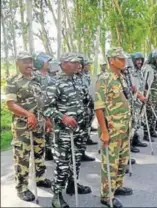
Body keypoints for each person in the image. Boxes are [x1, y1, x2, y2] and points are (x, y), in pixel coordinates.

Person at [44, 53, 92, 208]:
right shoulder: (55, 83)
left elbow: (86, 101)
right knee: (62, 164)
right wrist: (62, 117)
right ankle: (57, 195)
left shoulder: (79, 80)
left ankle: (72, 184)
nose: (79, 65)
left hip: (80, 130)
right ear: (64, 64)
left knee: (76, 160)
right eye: (74, 62)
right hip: (63, 133)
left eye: (79, 62)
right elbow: (46, 108)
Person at [5, 51, 52, 202]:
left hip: (39, 124)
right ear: (18, 63)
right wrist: (28, 114)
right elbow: (11, 104)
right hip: (22, 127)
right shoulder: (13, 81)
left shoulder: (37, 78)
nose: (29, 65)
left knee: (40, 152)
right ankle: (22, 187)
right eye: (25, 62)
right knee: (22, 157)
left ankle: (40, 178)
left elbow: (42, 101)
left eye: (30, 61)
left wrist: (47, 118)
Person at [95, 47, 133, 208]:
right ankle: (106, 195)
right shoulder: (104, 79)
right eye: (121, 59)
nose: (124, 61)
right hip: (111, 128)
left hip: (124, 127)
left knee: (122, 160)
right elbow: (98, 107)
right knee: (110, 162)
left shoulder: (121, 77)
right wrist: (104, 131)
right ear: (111, 60)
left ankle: (117, 186)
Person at [33, 52, 56, 161]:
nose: (49, 64)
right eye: (47, 62)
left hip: (49, 108)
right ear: (41, 63)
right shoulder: (35, 77)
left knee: (49, 129)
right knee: (40, 133)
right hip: (39, 110)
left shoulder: (50, 77)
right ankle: (40, 153)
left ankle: (48, 150)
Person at [76, 53, 97, 162]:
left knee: (84, 132)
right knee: (77, 133)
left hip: (86, 108)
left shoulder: (84, 76)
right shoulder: (73, 78)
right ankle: (76, 154)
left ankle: (82, 152)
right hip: (76, 111)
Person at [129, 52, 148, 150]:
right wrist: (139, 96)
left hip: (140, 101)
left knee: (138, 122)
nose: (139, 62)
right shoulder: (131, 73)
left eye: (141, 60)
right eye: (137, 60)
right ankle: (129, 143)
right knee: (132, 123)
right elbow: (132, 88)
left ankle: (135, 139)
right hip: (133, 101)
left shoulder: (140, 71)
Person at [142, 50, 157, 142]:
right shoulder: (148, 68)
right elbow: (145, 83)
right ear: (152, 58)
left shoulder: (156, 68)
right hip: (150, 95)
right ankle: (146, 133)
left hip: (156, 96)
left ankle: (152, 130)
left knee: (154, 114)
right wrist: (146, 95)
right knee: (149, 114)